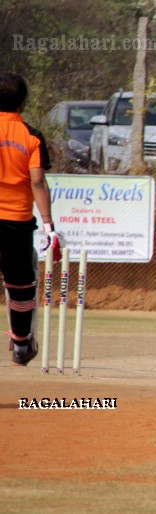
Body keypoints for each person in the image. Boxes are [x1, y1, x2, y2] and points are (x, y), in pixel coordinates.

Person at [0, 73, 62, 366]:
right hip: (16, 221)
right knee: (20, 282)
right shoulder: (32, 136)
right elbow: (38, 183)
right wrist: (49, 226)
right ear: (23, 103)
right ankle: (21, 345)